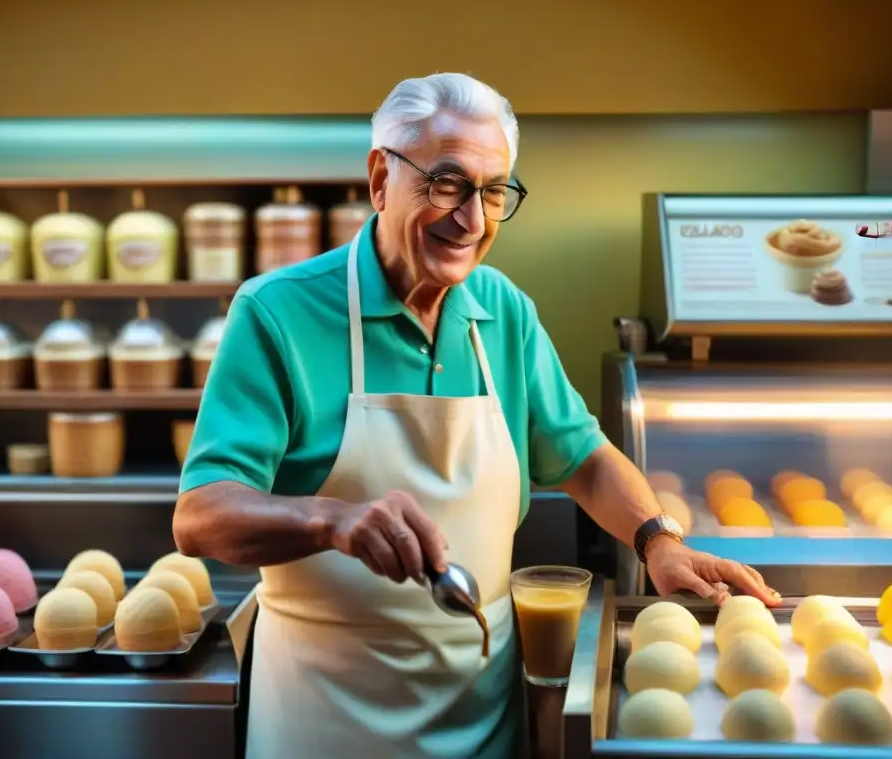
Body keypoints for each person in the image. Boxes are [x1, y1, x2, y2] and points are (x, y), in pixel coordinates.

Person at [173, 72, 779, 759]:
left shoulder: (504, 311)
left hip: (484, 724)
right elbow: (200, 516)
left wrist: (657, 540)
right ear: (380, 178)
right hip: (326, 723)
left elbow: (582, 456)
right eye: (448, 184)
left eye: (494, 193)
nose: (474, 220)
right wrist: (331, 519)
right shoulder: (277, 313)